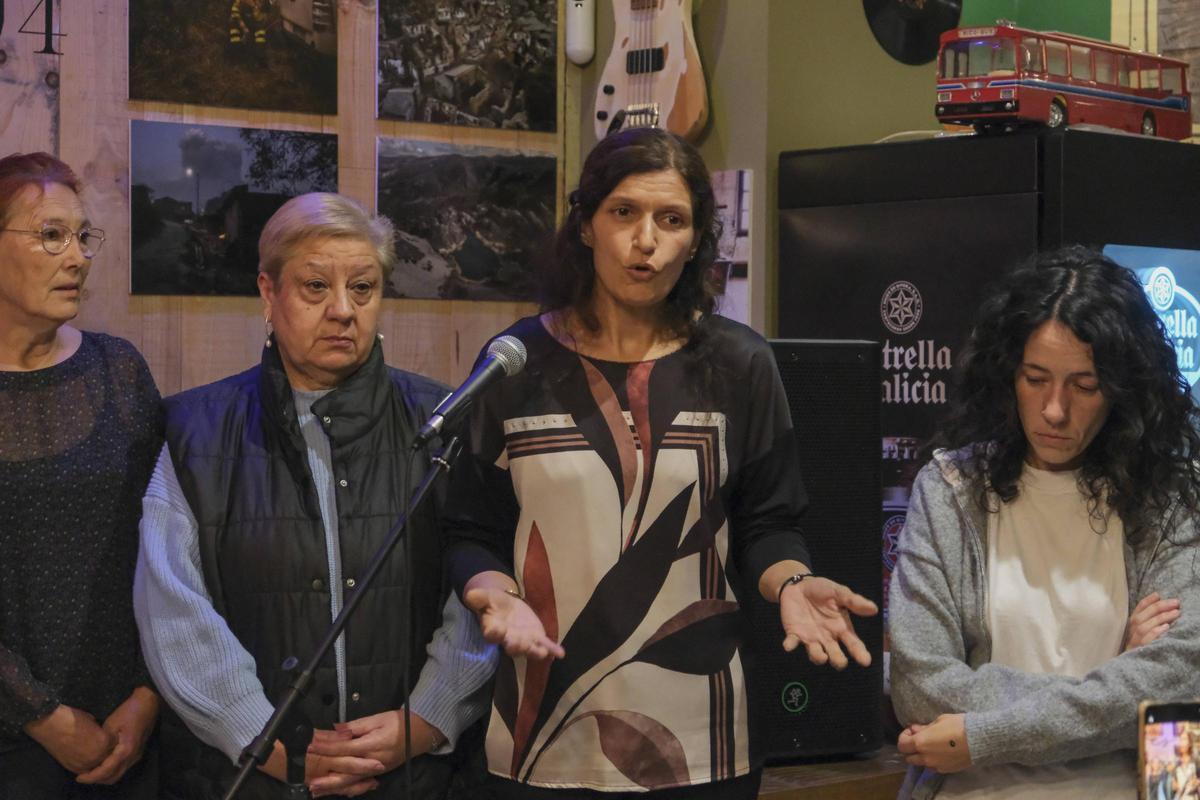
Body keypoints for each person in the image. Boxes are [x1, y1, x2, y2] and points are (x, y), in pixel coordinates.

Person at [443, 127, 878, 799]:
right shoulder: (515, 364)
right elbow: (470, 529)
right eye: (624, 213)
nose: (645, 240)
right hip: (538, 735)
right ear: (586, 224)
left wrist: (793, 584)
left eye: (670, 220)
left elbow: (770, 526)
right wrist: (495, 598)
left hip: (700, 741)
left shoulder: (741, 364)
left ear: (696, 238)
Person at [133, 192, 497, 799]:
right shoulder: (194, 431)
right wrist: (261, 741)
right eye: (314, 288)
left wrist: (431, 716)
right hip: (249, 778)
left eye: (363, 288)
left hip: (415, 777)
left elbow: (481, 584)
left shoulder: (442, 420)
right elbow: (171, 609)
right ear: (268, 293)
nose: (343, 310)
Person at [888, 247, 1200, 799]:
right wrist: (1113, 680)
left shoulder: (1170, 497)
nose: (1055, 410)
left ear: (1123, 390)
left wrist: (982, 736)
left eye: (1084, 386)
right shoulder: (950, 491)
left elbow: (1179, 684)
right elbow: (918, 687)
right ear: (1008, 375)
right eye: (1035, 379)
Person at [0, 152, 163, 797]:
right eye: (50, 235)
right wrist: (41, 716)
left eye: (81, 236)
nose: (77, 257)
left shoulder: (118, 371)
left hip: (130, 731)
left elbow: (170, 549)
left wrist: (151, 693)